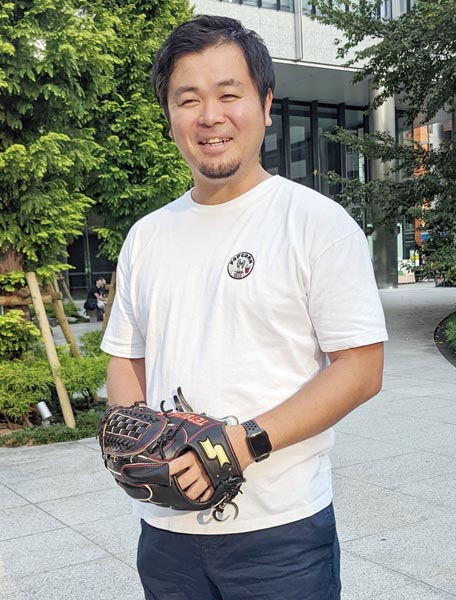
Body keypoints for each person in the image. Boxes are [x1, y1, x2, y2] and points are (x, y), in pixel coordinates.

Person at [101, 15, 388, 600]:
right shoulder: (147, 235)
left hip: (282, 534)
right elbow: (127, 358)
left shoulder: (316, 223)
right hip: (165, 534)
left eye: (229, 94)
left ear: (265, 102)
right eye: (188, 99)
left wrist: (244, 442)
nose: (210, 116)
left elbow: (361, 368)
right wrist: (134, 444)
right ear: (170, 115)